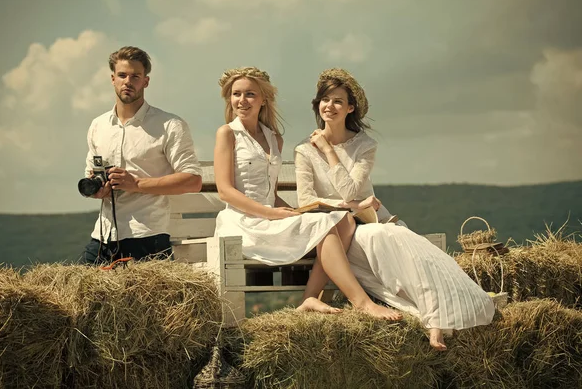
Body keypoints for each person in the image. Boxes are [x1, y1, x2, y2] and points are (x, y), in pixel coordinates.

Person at [294, 68, 495, 350]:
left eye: (338, 100)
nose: (330, 106)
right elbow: (306, 201)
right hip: (327, 225)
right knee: (362, 231)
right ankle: (417, 314)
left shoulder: (365, 145)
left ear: (350, 107)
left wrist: (328, 151)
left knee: (401, 242)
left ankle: (435, 316)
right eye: (325, 99)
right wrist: (347, 206)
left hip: (368, 222)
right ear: (317, 104)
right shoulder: (304, 150)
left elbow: (351, 188)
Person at [213, 67, 401, 320]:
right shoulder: (227, 133)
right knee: (326, 224)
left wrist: (288, 211)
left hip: (272, 216)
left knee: (343, 221)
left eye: (249, 94)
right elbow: (225, 192)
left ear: (263, 99)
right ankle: (362, 303)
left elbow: (271, 192)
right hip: (243, 222)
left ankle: (310, 297)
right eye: (236, 94)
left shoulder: (273, 139)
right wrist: (271, 213)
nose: (242, 101)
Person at [80, 46, 202, 265]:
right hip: (103, 236)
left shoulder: (170, 125)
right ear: (112, 79)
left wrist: (136, 183)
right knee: (76, 295)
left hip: (147, 236)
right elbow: (91, 174)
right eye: (122, 75)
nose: (128, 81)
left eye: (135, 76)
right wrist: (98, 191)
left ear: (146, 81)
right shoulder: (97, 126)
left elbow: (192, 181)